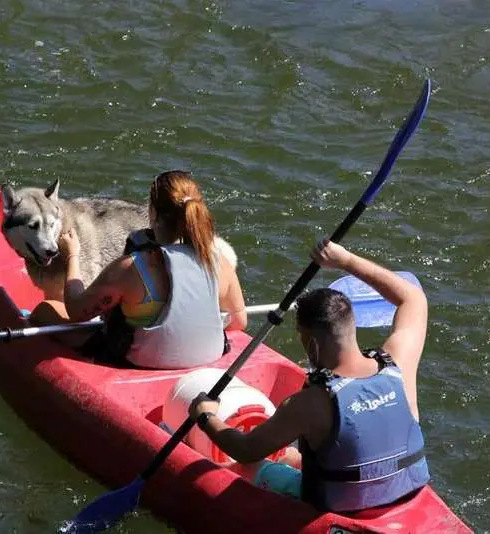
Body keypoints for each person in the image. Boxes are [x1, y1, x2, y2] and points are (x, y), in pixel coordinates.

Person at [188, 239, 430, 513]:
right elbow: (413, 298)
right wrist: (345, 260)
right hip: (406, 491)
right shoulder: (398, 364)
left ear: (312, 343)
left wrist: (206, 417)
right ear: (351, 326)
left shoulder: (308, 404)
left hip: (344, 509)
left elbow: (244, 449)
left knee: (251, 466)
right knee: (292, 456)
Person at [32, 170, 247, 369]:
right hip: (209, 355)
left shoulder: (131, 268)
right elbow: (239, 321)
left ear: (152, 213)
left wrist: (73, 255)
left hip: (141, 361)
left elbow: (76, 310)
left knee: (45, 309)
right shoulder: (219, 262)